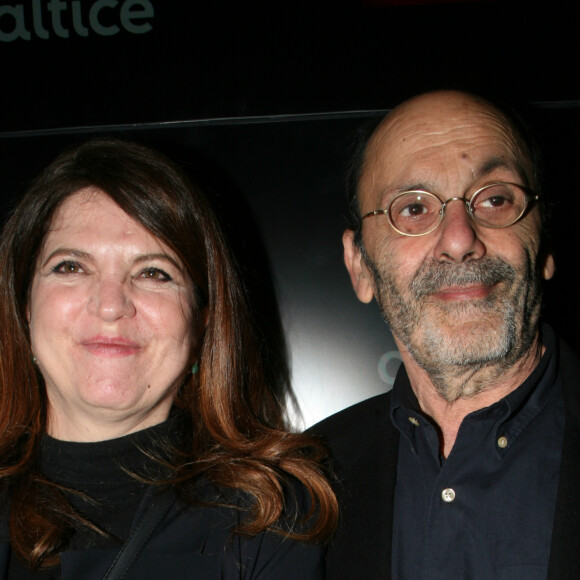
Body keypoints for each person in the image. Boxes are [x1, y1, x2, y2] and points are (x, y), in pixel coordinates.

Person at [0, 138, 337, 579]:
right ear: (24, 308)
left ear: (200, 327)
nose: (110, 304)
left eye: (153, 272)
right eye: (71, 266)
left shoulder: (267, 518)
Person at [313, 90, 580, 579]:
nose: (459, 240)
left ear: (545, 245)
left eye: (496, 199)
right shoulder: (300, 485)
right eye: (412, 209)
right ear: (360, 267)